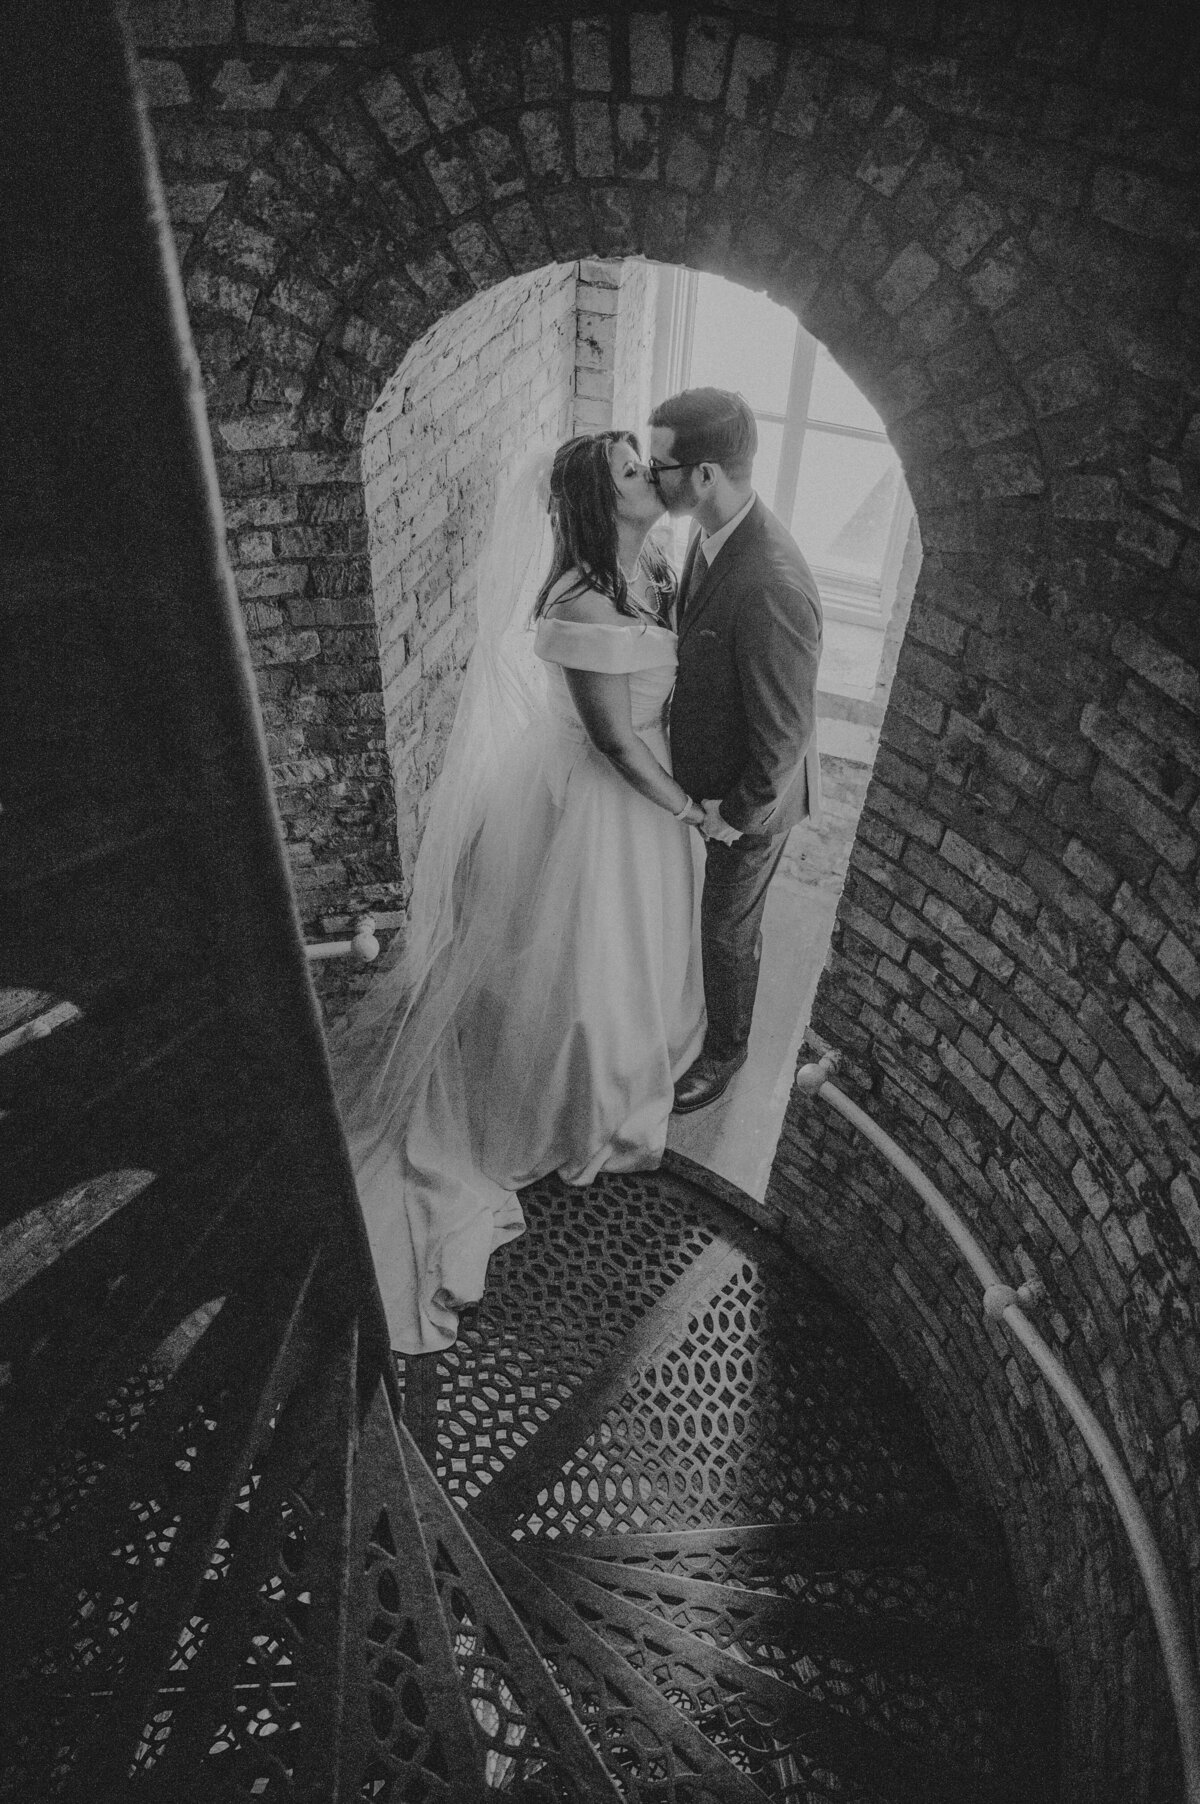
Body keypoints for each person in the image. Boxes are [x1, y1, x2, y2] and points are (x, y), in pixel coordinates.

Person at [335, 431, 706, 1354]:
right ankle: (577, 1099)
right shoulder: (579, 599)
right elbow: (616, 743)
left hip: (647, 797)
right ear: (595, 500)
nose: (649, 476)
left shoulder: (654, 560)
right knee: (583, 961)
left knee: (637, 953)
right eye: (630, 470)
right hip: (604, 802)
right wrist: (692, 809)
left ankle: (630, 1066)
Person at [647, 387, 823, 1114]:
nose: (651, 475)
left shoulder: (773, 584)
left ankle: (727, 1051)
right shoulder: (710, 531)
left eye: (661, 465)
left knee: (726, 930)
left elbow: (784, 735)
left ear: (706, 476)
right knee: (713, 920)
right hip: (712, 782)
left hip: (752, 797)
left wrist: (738, 815)